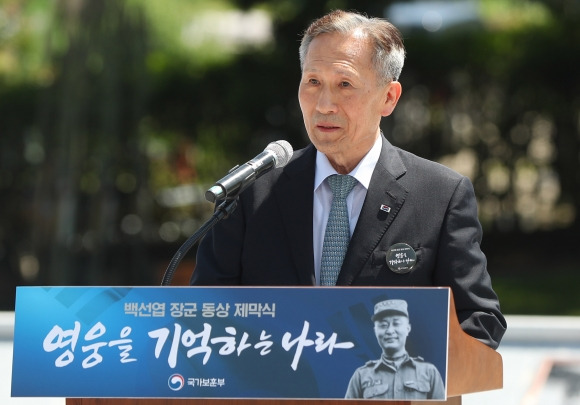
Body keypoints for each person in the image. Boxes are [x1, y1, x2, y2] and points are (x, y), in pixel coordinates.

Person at [191, 9, 506, 349]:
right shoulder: (251, 192)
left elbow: (478, 322)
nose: (324, 105)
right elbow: (204, 317)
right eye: (313, 82)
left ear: (389, 97)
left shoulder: (440, 195)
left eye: (344, 85)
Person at [345, 299, 445, 399]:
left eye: (396, 323)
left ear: (408, 328)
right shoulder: (361, 375)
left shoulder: (429, 372)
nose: (389, 331)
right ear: (375, 331)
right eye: (383, 325)